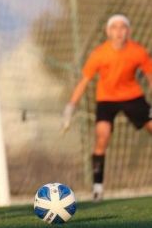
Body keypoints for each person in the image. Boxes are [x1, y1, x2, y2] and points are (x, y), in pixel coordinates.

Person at [62, 14, 152, 201]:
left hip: (133, 96)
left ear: (129, 31)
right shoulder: (99, 54)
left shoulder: (138, 52)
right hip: (107, 99)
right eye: (114, 28)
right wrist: (71, 106)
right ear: (108, 31)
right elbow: (84, 81)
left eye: (122, 27)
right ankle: (97, 189)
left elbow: (150, 75)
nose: (119, 32)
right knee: (102, 136)